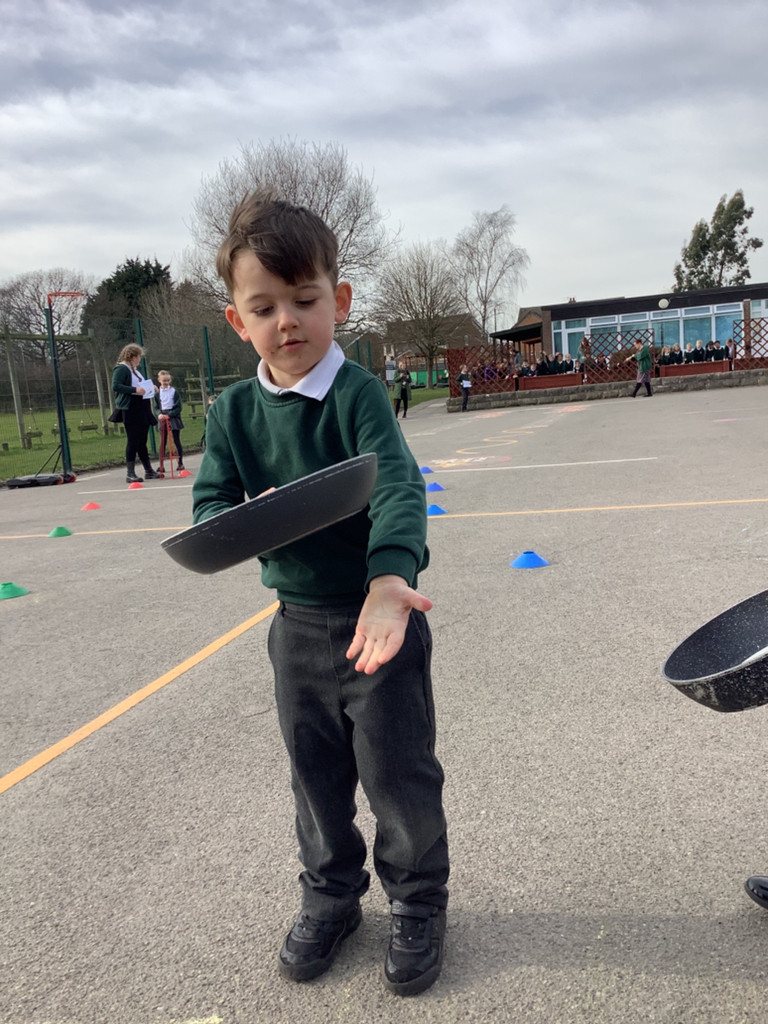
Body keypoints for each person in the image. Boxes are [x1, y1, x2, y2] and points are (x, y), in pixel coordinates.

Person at [192, 191, 449, 997]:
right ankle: (331, 896)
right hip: (296, 629)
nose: (287, 322)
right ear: (237, 321)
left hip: (377, 620)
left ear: (338, 300)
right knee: (314, 777)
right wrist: (235, 522)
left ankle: (418, 902)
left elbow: (399, 485)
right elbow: (210, 506)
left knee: (398, 774)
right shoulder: (233, 413)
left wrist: (390, 579)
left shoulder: (358, 394)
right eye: (264, 308)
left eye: (304, 301)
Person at [110, 344, 159, 483]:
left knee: (142, 440)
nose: (139, 360)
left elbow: (142, 385)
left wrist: (151, 388)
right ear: (132, 357)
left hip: (142, 406)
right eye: (138, 357)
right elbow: (116, 386)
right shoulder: (121, 369)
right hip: (131, 407)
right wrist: (134, 390)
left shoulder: (136, 370)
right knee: (133, 439)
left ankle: (148, 470)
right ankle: (130, 473)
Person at [154, 370, 185, 473]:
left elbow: (179, 407)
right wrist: (159, 414)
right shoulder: (157, 394)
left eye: (168, 380)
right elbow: (156, 407)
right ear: (159, 380)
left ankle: (180, 463)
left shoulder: (174, 391)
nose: (166, 382)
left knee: (176, 440)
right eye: (164, 381)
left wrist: (170, 414)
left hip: (173, 416)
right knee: (163, 442)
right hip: (163, 416)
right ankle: (161, 465)